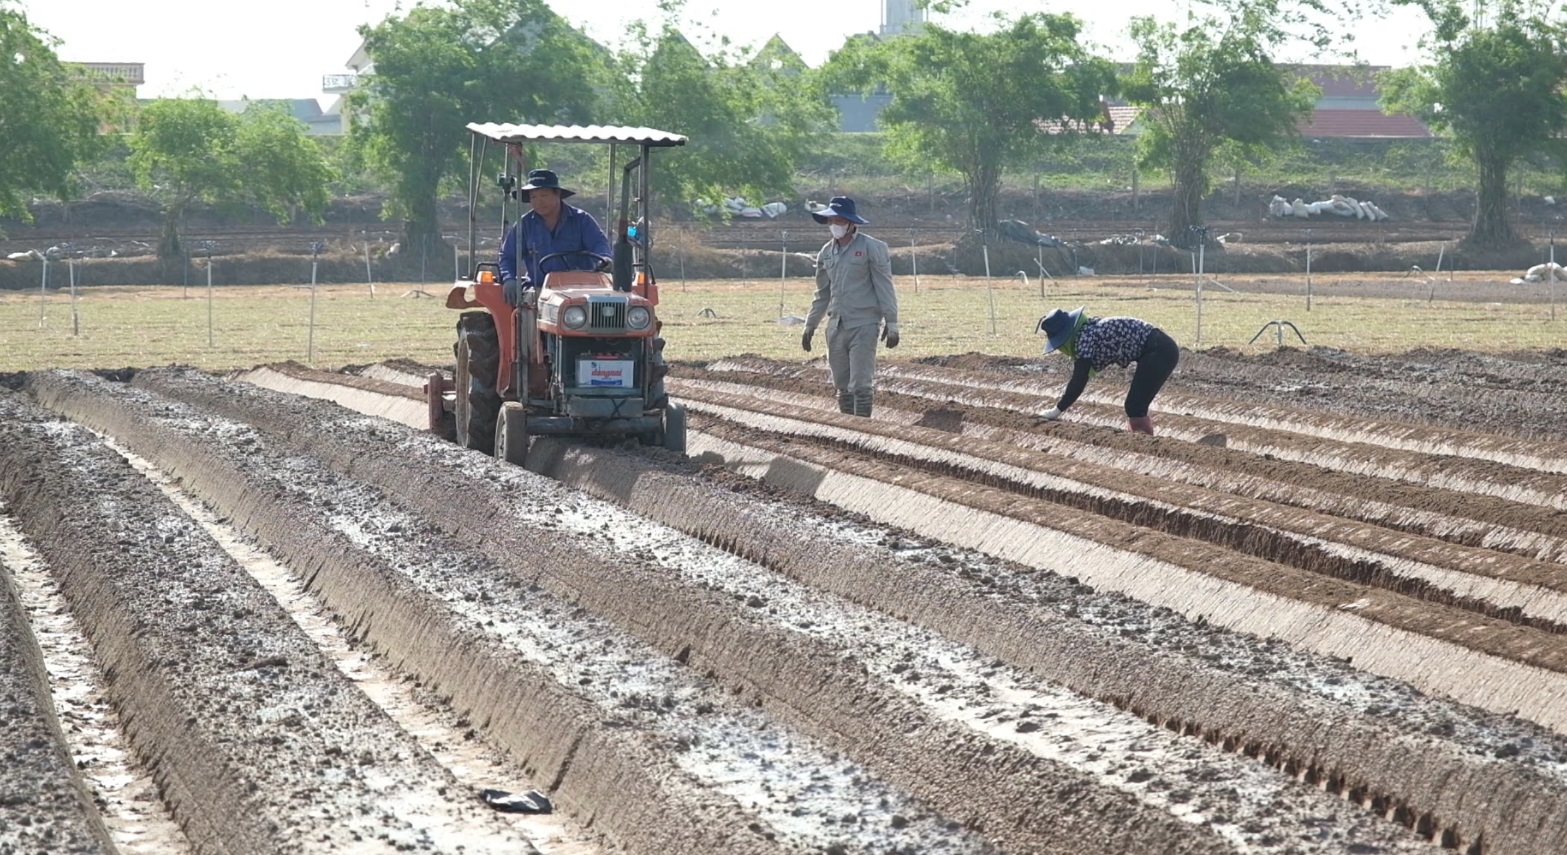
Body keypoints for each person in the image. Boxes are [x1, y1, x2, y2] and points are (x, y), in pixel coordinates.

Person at [801, 196, 899, 418]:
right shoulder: (826, 252)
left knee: (861, 383)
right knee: (842, 384)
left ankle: (862, 432)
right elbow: (822, 293)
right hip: (836, 326)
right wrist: (810, 325)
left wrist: (891, 322)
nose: (834, 225)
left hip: (864, 324)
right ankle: (847, 429)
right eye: (830, 221)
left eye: (838, 220)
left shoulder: (872, 248)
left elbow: (884, 286)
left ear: (850, 222)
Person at [1035, 307, 1179, 435]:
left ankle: (1146, 446)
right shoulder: (1089, 330)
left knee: (1135, 406)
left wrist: (1057, 410)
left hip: (1159, 350)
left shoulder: (1085, 340)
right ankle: (1140, 440)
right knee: (1135, 405)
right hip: (1159, 346)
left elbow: (1079, 380)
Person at [498, 168, 612, 306]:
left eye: (543, 195)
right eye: (533, 197)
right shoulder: (524, 225)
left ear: (557, 194)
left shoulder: (581, 220)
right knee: (528, 302)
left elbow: (599, 244)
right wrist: (509, 279)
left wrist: (605, 259)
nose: (538, 201)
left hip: (579, 289)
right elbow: (508, 257)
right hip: (539, 289)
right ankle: (529, 328)